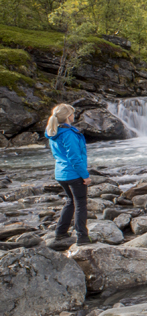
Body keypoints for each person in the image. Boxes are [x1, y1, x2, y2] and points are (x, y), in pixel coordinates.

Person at [45, 103, 90, 250]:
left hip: (61, 173)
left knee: (71, 201)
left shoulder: (53, 131)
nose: (74, 116)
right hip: (73, 173)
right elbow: (74, 158)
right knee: (81, 204)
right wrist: (85, 175)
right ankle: (82, 237)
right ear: (68, 117)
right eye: (72, 113)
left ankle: (60, 232)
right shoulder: (69, 134)